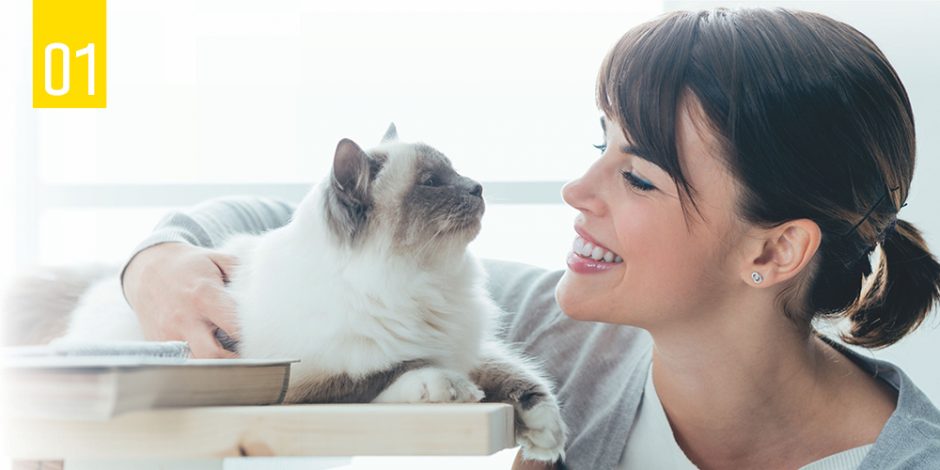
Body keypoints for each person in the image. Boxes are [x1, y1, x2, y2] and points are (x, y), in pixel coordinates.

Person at [119, 8, 940, 469]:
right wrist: (158, 265)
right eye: (599, 146)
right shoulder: (565, 333)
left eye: (638, 177)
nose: (576, 192)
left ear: (772, 251)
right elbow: (284, 224)